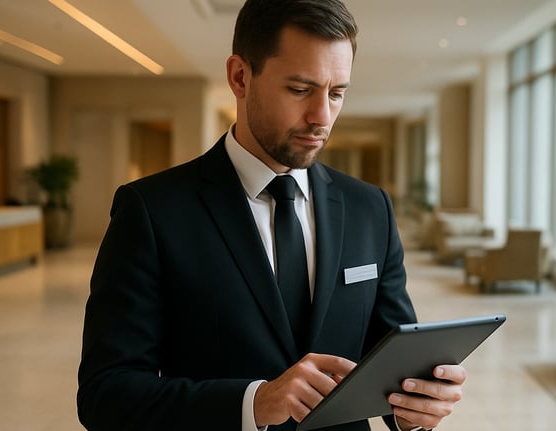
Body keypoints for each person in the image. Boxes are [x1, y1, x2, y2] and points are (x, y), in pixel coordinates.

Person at [76, 0, 466, 430]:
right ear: (240, 77)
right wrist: (254, 402)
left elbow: (390, 361)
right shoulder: (152, 210)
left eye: (336, 94)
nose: (322, 117)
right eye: (300, 90)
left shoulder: (370, 207)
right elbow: (106, 395)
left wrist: (417, 406)